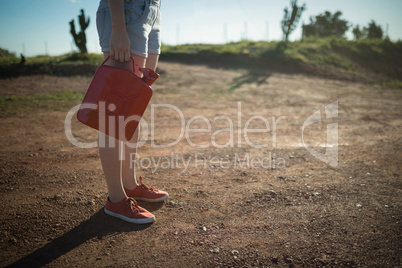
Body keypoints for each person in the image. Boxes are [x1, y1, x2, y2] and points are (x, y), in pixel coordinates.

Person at [95, 0, 167, 224]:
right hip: (126, 11)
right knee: (116, 114)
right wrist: (118, 27)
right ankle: (116, 199)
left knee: (132, 110)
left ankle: (130, 184)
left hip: (152, 11)